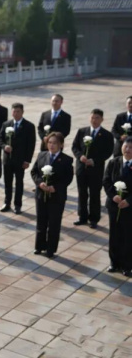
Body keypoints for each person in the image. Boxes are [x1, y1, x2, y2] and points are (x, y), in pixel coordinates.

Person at [30, 132, 74, 259]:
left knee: (54, 223)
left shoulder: (66, 160)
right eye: (49, 142)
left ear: (61, 145)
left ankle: (50, 249)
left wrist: (55, 187)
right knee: (41, 221)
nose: (51, 145)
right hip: (41, 194)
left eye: (55, 143)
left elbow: (68, 178)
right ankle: (39, 246)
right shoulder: (42, 155)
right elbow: (34, 172)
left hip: (56, 196)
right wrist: (40, 183)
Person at [71, 109, 114, 228]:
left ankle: (94, 218)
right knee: (82, 193)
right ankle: (82, 216)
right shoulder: (82, 131)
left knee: (95, 194)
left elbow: (108, 152)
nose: (94, 120)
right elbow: (75, 147)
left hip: (96, 169)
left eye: (97, 118)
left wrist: (94, 160)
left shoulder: (107, 135)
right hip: (82, 168)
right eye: (92, 118)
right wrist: (80, 156)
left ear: (102, 119)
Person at [102, 137, 132, 277]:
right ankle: (114, 263)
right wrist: (113, 196)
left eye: (131, 147)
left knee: (127, 235)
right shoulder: (114, 162)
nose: (128, 150)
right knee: (114, 234)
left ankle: (127, 265)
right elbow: (106, 181)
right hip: (114, 205)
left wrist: (129, 201)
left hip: (129, 207)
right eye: (126, 146)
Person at [0, 103, 36, 214]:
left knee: (19, 183)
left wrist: (27, 160)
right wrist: (4, 146)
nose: (15, 114)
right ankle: (7, 202)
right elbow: (0, 139)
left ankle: (17, 205)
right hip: (7, 159)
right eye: (14, 111)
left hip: (20, 160)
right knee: (7, 182)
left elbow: (31, 145)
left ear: (22, 112)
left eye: (18, 111)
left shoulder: (29, 126)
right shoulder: (6, 124)